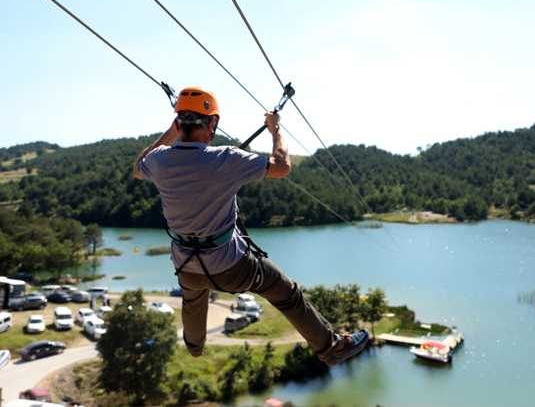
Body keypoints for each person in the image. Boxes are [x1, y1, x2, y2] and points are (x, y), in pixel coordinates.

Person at [133, 86, 369, 365]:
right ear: (212, 123)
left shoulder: (159, 160)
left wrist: (169, 135)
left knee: (193, 296)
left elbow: (138, 167)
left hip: (187, 264)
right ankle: (331, 348)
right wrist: (275, 130)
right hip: (232, 266)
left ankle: (194, 346)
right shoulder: (225, 158)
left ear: (178, 123)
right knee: (286, 292)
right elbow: (281, 166)